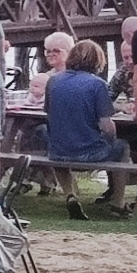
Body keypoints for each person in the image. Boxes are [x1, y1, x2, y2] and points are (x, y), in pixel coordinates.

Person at [45, 40, 129, 220]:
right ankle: (118, 203)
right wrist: (110, 139)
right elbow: (107, 126)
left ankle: (70, 195)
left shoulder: (52, 81)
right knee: (123, 147)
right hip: (90, 153)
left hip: (58, 152)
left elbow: (49, 114)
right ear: (97, 61)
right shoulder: (97, 85)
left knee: (56, 146)